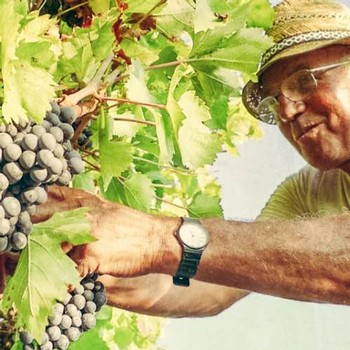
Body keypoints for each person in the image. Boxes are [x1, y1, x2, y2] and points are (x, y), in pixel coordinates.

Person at [9, 0, 350, 317]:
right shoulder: (307, 192)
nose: (287, 111)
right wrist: (72, 254)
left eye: (304, 82)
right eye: (274, 101)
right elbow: (213, 279)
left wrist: (153, 238)